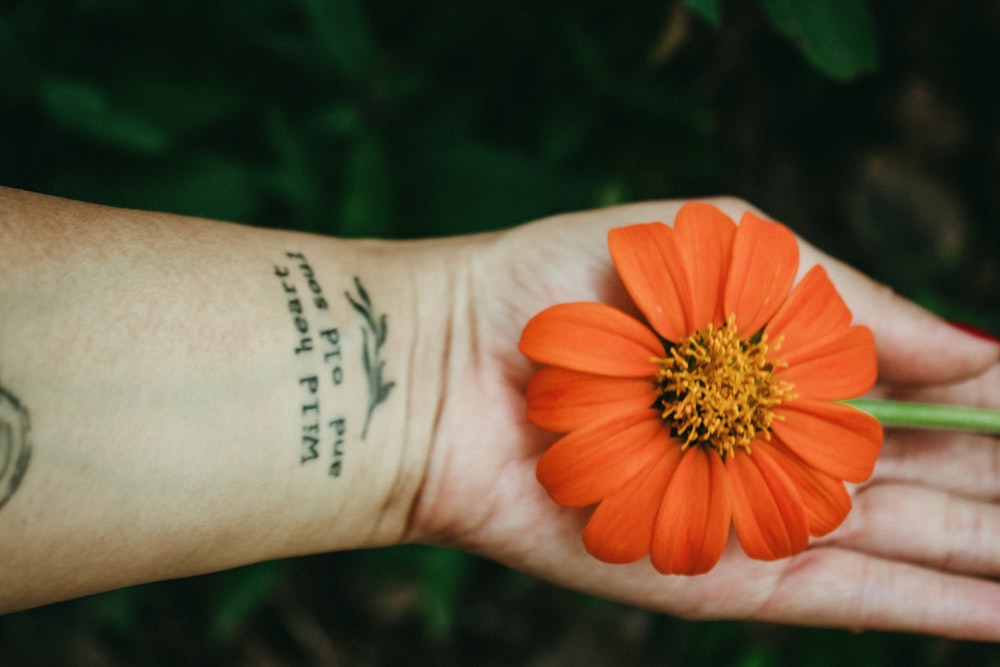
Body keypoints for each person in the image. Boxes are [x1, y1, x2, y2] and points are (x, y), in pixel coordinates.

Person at [0, 185, 997, 640]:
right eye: (729, 379)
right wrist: (426, 379)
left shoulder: (775, 414)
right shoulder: (669, 343)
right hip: (652, 377)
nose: (738, 393)